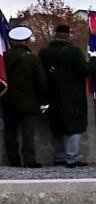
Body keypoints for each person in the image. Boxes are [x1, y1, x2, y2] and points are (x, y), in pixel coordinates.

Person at [39, 23, 96, 168]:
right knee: (74, 127)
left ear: (55, 35)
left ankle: (59, 158)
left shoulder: (44, 52)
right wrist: (94, 61)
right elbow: (85, 70)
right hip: (73, 96)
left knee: (56, 127)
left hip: (51, 94)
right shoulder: (74, 52)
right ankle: (71, 158)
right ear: (68, 36)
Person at [1, 26, 47, 168]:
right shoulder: (33, 58)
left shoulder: (2, 58)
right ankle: (29, 160)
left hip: (8, 100)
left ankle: (13, 160)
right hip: (29, 101)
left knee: (10, 131)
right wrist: (43, 100)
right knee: (28, 132)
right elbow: (41, 82)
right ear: (26, 41)